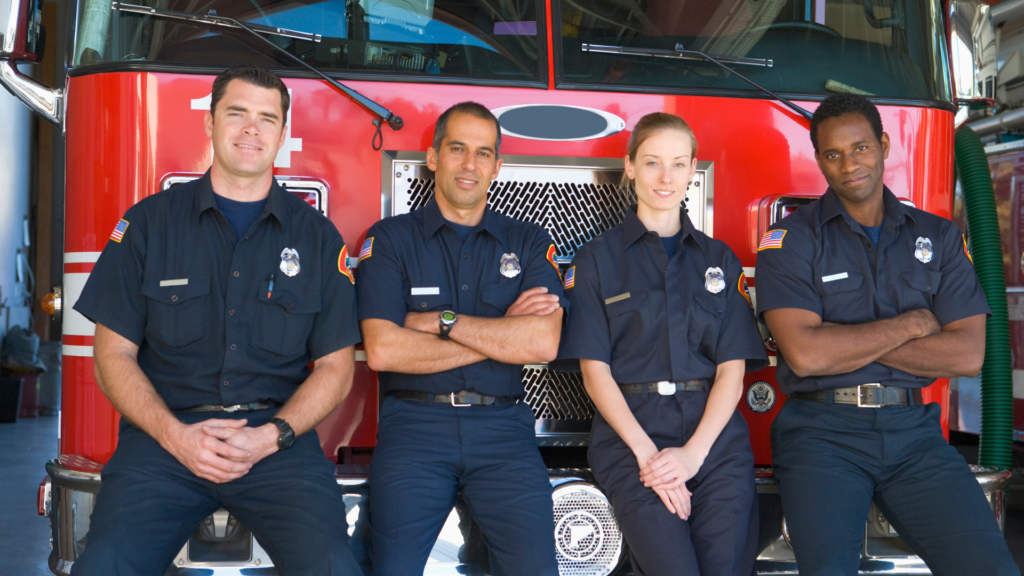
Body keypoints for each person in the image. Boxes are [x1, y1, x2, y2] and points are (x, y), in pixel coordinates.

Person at [71, 66, 363, 576]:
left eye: (266, 118)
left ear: (282, 134)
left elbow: (337, 368)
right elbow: (111, 354)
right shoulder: (146, 224)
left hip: (277, 446)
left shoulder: (318, 238)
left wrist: (269, 436)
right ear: (209, 124)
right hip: (164, 442)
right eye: (237, 113)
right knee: (105, 565)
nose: (251, 129)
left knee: (334, 566)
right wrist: (174, 436)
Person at [755, 93, 1019, 576]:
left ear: (883, 144)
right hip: (820, 435)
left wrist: (847, 343)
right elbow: (807, 355)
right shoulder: (790, 241)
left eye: (859, 148)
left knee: (990, 567)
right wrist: (913, 325)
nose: (848, 164)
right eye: (833, 154)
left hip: (913, 434)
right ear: (819, 160)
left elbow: (967, 356)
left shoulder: (937, 236)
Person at [357, 102, 565, 576]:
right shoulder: (390, 239)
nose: (470, 165)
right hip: (414, 428)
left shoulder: (530, 241)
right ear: (433, 158)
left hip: (504, 433)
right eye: (457, 150)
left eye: (483, 153)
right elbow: (384, 350)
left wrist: (441, 321)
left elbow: (542, 345)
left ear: (497, 165)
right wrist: (501, 332)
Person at [554, 112, 767, 576]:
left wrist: (692, 455)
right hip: (632, 439)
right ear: (629, 167)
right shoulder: (596, 259)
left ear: (693, 169)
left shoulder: (719, 259)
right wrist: (650, 458)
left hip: (715, 442)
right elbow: (595, 372)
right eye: (651, 163)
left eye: (677, 164)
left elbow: (732, 371)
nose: (665, 178)